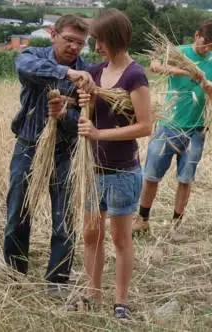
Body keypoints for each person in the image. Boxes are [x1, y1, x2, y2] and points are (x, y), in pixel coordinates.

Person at [54, 9, 152, 320]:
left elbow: (145, 126)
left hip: (122, 171)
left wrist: (100, 133)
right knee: (90, 234)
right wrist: (76, 104)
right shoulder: (95, 72)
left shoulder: (135, 75)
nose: (95, 47)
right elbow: (91, 114)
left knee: (120, 239)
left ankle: (121, 300)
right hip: (92, 169)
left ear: (115, 39)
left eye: (100, 41)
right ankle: (92, 292)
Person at [4, 14, 94, 297]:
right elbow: (25, 67)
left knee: (64, 216)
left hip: (66, 151)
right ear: (54, 34)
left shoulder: (88, 74)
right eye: (68, 40)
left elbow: (85, 121)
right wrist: (66, 74)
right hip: (29, 145)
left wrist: (66, 114)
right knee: (18, 210)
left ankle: (57, 281)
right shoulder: (34, 55)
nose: (73, 48)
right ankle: (14, 272)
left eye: (79, 43)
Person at [132, 20, 212, 241]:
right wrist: (185, 71)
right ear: (197, 34)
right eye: (205, 43)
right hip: (167, 126)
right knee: (151, 176)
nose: (208, 49)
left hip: (196, 131)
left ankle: (176, 226)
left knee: (185, 179)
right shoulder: (180, 52)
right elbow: (154, 64)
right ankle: (142, 220)